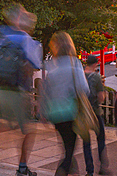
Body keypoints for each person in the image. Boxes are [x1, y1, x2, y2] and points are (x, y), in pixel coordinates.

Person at [0, 4, 42, 176]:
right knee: (28, 130)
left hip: (1, 89)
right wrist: (28, 94)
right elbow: (33, 65)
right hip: (17, 90)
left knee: (3, 126)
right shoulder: (24, 38)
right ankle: (22, 168)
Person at [43, 31, 90, 176]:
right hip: (70, 113)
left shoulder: (51, 65)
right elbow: (84, 89)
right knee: (69, 150)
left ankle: (71, 170)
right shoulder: (74, 63)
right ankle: (62, 171)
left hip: (55, 114)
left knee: (66, 146)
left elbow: (47, 91)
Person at [82, 55, 109, 176]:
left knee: (86, 142)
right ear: (95, 64)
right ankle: (102, 166)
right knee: (100, 139)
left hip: (83, 112)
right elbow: (101, 97)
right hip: (95, 112)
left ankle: (89, 170)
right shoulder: (96, 77)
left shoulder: (80, 75)